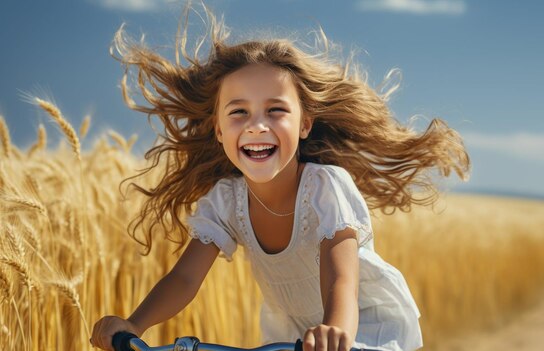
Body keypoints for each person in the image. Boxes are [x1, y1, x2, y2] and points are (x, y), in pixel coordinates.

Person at [91, 3, 470, 351]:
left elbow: (342, 280)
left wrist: (336, 329)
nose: (257, 125)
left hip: (361, 327)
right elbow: (185, 279)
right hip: (290, 334)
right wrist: (133, 324)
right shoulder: (226, 200)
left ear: (304, 124)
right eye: (238, 112)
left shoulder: (325, 187)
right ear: (219, 129)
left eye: (275, 110)